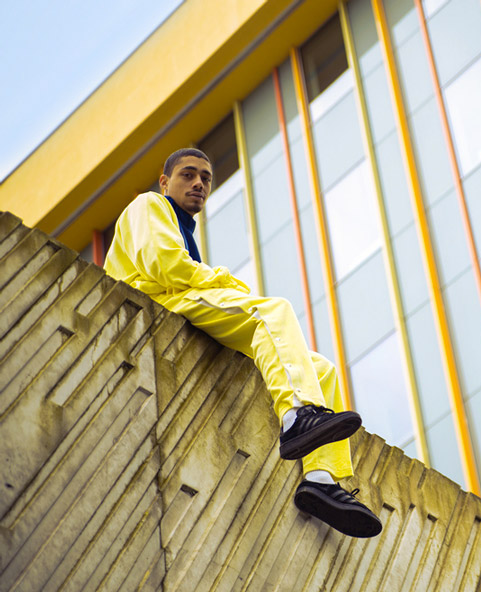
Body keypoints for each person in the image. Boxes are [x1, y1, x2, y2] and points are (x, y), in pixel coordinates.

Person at [104, 148, 381, 538]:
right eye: (187, 175)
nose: (198, 183)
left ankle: (320, 479)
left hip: (186, 302)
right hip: (158, 301)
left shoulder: (184, 229)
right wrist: (224, 280)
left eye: (206, 178)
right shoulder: (149, 205)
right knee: (273, 311)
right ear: (165, 182)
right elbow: (164, 265)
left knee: (321, 369)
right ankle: (297, 417)